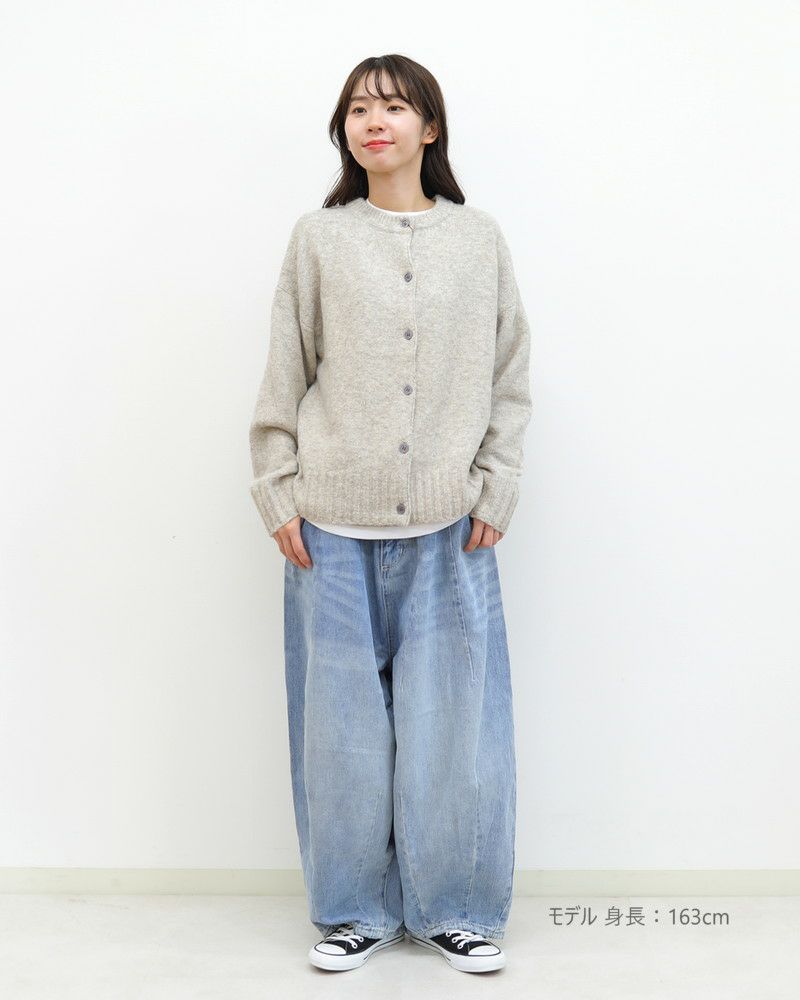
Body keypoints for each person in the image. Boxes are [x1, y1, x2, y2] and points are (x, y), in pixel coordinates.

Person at [248, 54, 532, 975]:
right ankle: (353, 912)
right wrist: (277, 490)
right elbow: (285, 373)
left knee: (454, 730)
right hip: (328, 531)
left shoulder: (477, 240)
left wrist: (496, 483)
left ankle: (456, 909)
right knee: (340, 738)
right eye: (359, 109)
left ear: (429, 127)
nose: (376, 121)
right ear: (345, 131)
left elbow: (510, 375)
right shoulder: (319, 240)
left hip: (451, 528)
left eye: (395, 107)